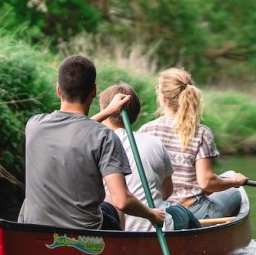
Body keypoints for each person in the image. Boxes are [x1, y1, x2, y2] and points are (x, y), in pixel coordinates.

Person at [19, 55, 165, 231]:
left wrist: (108, 111)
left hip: (33, 229)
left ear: (58, 90)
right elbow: (122, 200)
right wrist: (152, 214)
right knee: (111, 203)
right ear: (94, 91)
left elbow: (74, 129)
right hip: (86, 235)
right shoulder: (104, 137)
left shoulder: (34, 125)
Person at [139, 68, 248, 220]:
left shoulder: (146, 130)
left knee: (227, 177)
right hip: (193, 211)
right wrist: (234, 183)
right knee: (237, 193)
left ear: (163, 99)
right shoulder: (201, 133)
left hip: (158, 210)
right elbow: (206, 182)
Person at [95, 82, 176, 231]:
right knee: (179, 212)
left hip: (114, 230)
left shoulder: (93, 142)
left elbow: (78, 128)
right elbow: (167, 191)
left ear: (104, 110)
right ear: (136, 115)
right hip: (156, 228)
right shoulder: (154, 142)